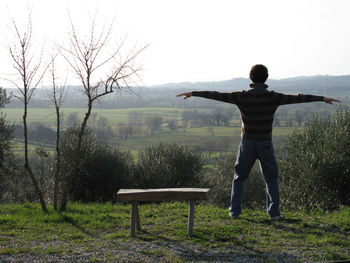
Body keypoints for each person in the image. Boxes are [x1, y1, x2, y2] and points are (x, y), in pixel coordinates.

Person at [176, 64, 340, 220]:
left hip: (247, 143)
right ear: (266, 78)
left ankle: (234, 211)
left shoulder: (241, 96)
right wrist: (322, 98)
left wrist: (193, 93)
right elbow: (297, 98)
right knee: (271, 178)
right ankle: (274, 214)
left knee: (239, 177)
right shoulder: (274, 97)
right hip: (265, 144)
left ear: (251, 78)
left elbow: (217, 94)